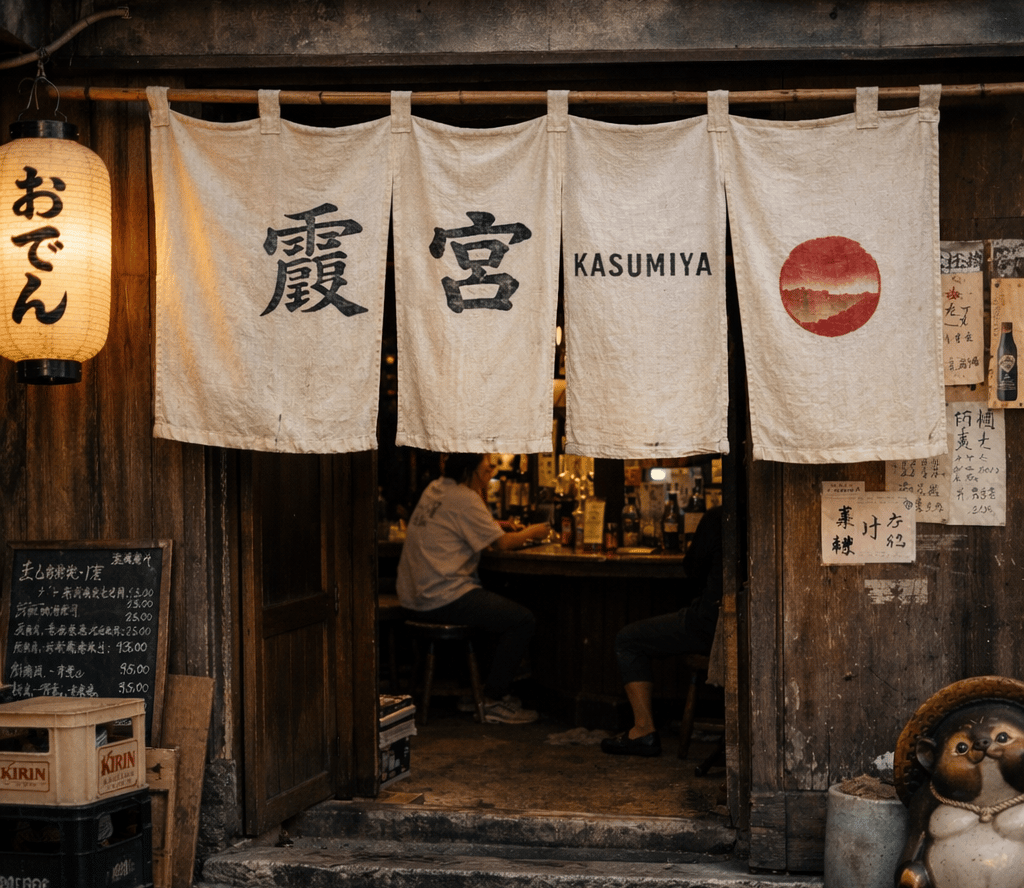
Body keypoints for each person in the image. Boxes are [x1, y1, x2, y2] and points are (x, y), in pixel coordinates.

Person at [396, 452, 550, 724]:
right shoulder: (465, 498)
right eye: (487, 461)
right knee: (521, 620)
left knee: (493, 610)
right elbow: (501, 543)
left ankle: (475, 692)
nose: (492, 465)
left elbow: (469, 526)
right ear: (470, 467)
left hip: (415, 596)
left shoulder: (435, 487)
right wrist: (534, 532)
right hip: (441, 595)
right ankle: (493, 700)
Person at [601, 504, 723, 757]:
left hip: (710, 625)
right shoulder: (774, 512)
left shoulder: (718, 517)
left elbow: (694, 569)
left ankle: (643, 730)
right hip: (751, 627)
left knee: (628, 640)